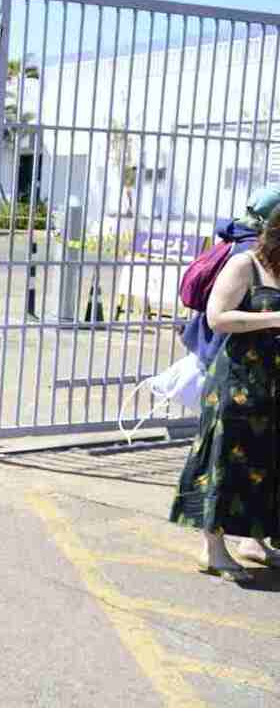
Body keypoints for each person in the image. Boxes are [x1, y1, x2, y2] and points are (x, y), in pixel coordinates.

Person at [170, 207, 280, 582]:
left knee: (267, 463)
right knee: (225, 461)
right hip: (237, 382)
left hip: (272, 383)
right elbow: (219, 317)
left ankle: (254, 541)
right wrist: (274, 318)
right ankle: (212, 549)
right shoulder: (244, 265)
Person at [182, 186, 280, 368]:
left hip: (210, 345)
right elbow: (219, 317)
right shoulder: (253, 251)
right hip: (231, 356)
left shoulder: (233, 236)